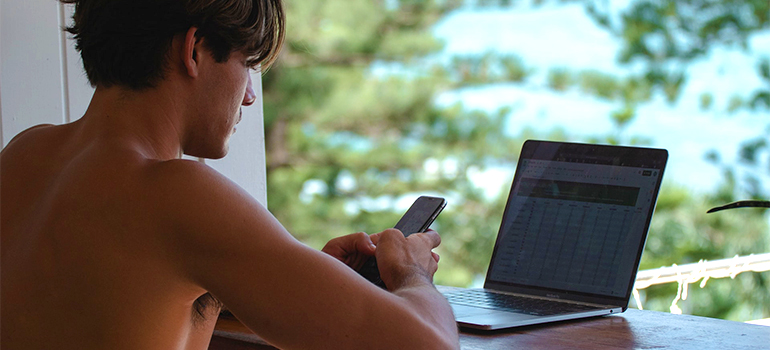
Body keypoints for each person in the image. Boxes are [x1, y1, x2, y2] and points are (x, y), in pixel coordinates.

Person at [0, 0, 459, 349]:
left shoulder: (25, 154)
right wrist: (409, 271)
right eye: (248, 65)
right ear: (195, 50)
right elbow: (428, 344)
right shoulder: (174, 193)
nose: (248, 99)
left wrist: (300, 279)